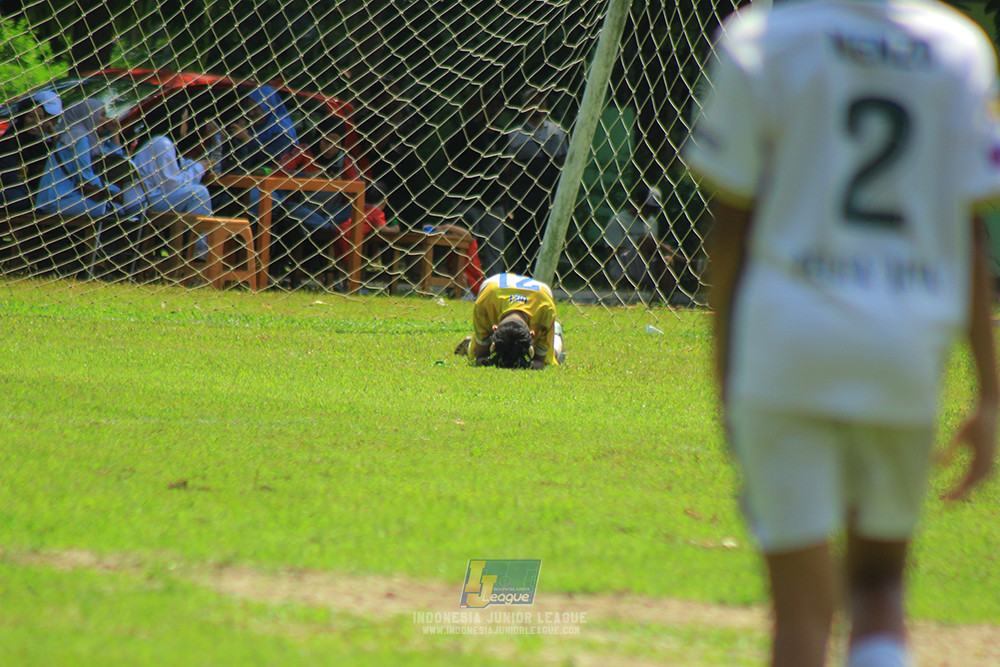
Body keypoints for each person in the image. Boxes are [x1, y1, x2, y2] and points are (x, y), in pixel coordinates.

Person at [684, 2, 1000, 667]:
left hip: (786, 339)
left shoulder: (759, 41)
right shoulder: (960, 49)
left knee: (801, 612)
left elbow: (730, 234)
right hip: (905, 344)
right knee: (880, 585)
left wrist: (725, 374)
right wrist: (990, 393)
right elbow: (968, 234)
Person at [443, 87, 513, 278]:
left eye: (499, 107)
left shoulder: (502, 137)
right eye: (491, 106)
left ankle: (494, 285)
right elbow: (452, 162)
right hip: (466, 198)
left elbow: (506, 170)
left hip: (492, 201)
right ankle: (461, 283)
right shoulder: (465, 132)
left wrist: (506, 202)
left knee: (495, 247)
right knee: (463, 244)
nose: (494, 111)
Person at [504, 90, 568, 275]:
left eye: (541, 102)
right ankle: (525, 273)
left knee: (548, 234)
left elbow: (563, 162)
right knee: (525, 236)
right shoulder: (515, 135)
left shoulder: (558, 132)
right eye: (532, 102)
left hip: (550, 193)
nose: (537, 107)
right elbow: (508, 169)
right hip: (525, 194)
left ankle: (547, 274)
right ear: (524, 107)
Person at [454, 272, 565, 369]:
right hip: (493, 289)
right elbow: (480, 357)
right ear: (494, 329)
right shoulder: (484, 303)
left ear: (532, 335)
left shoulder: (546, 309)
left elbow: (540, 361)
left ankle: (556, 335)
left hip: (534, 294)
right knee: (474, 354)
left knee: (549, 360)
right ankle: (473, 343)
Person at [131, 95, 214, 218]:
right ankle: (202, 236)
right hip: (142, 203)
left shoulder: (162, 141)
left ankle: (190, 235)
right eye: (185, 120)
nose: (187, 125)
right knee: (199, 193)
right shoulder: (162, 143)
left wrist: (195, 165)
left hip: (151, 198)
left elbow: (178, 170)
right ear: (175, 120)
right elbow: (173, 185)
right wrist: (199, 168)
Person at [603, 184, 677, 298]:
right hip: (623, 265)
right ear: (636, 203)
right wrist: (638, 249)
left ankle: (664, 299)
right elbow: (611, 253)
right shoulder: (617, 221)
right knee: (645, 240)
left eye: (654, 210)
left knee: (667, 260)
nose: (650, 213)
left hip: (647, 263)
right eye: (648, 208)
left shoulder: (652, 222)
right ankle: (687, 262)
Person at [0, 91, 62, 214]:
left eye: (42, 118)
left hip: (26, 190)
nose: (36, 122)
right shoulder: (11, 141)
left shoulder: (37, 142)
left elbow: (58, 158)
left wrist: (54, 135)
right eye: (31, 116)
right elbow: (10, 179)